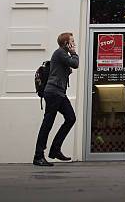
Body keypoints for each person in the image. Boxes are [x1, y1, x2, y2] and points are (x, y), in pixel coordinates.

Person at [33, 32, 79, 167]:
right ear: (66, 43)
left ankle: (54, 150)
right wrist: (74, 53)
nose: (74, 43)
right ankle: (38, 156)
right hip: (53, 92)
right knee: (47, 124)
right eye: (72, 41)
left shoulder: (62, 55)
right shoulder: (60, 53)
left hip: (59, 93)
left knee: (71, 118)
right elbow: (75, 63)